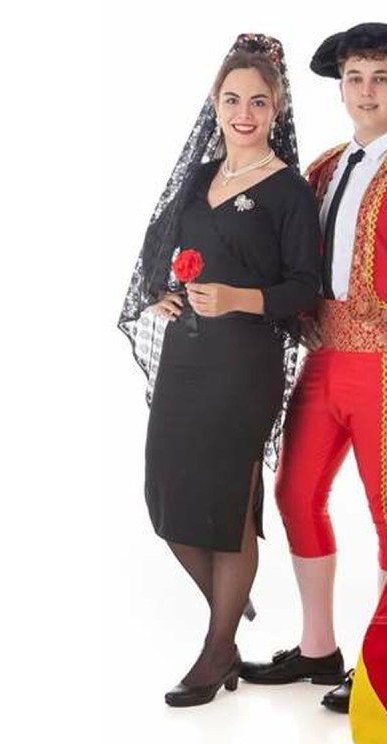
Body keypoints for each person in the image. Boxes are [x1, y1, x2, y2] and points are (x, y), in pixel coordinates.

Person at [240, 23, 387, 713]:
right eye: (354, 79)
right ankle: (319, 648)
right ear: (340, 88)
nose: (366, 92)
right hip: (326, 356)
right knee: (295, 493)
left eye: (379, 79)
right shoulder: (321, 168)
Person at [118, 34, 321, 708]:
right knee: (167, 499)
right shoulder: (200, 176)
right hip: (187, 358)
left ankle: (216, 650)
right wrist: (160, 292)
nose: (244, 113)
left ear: (276, 108)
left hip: (245, 365)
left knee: (230, 504)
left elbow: (305, 290)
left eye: (258, 102)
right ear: (215, 103)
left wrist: (238, 298)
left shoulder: (289, 191)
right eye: (232, 100)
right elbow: (158, 246)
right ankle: (228, 612)